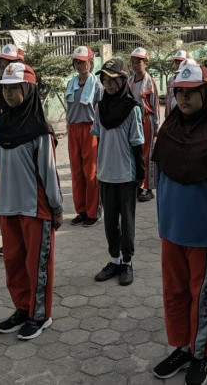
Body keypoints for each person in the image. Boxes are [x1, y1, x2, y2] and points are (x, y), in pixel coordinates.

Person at [151, 62, 207, 385]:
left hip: (205, 236)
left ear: (205, 93)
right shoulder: (167, 133)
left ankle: (201, 354)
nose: (184, 100)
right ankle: (182, 346)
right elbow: (159, 180)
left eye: (190, 93)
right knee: (174, 293)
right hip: (172, 233)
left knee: (201, 297)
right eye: (179, 93)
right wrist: (162, 225)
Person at [0, 63, 63, 340]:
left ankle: (40, 314)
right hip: (8, 205)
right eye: (5, 88)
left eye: (14, 88)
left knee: (37, 265)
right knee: (14, 262)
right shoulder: (1, 125)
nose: (8, 94)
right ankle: (22, 307)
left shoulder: (40, 130)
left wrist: (56, 208)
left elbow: (49, 172)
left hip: (36, 208)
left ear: (28, 89)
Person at [93, 59, 145, 286]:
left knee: (127, 222)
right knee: (110, 221)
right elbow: (98, 138)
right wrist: (98, 169)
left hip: (126, 174)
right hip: (106, 173)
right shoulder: (99, 108)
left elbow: (137, 143)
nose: (109, 84)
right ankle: (114, 260)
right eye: (105, 80)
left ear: (123, 80)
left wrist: (140, 173)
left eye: (114, 80)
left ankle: (127, 262)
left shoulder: (132, 108)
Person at [0, 44, 25, 257]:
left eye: (9, 62)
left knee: (20, 199)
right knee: (4, 200)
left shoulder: (26, 96)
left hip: (21, 157)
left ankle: (23, 240)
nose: (4, 65)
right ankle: (9, 241)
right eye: (2, 62)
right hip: (1, 155)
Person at [65, 46, 103, 227]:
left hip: (90, 130)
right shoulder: (71, 84)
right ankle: (80, 209)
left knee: (91, 172)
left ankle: (93, 211)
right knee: (77, 172)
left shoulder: (97, 85)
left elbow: (101, 113)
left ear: (91, 62)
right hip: (73, 130)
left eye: (83, 62)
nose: (80, 66)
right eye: (77, 62)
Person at [128, 47, 159, 203]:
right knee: (135, 154)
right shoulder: (130, 81)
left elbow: (154, 106)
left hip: (146, 121)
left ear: (146, 63)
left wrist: (156, 127)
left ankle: (147, 188)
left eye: (138, 61)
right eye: (133, 61)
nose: (135, 64)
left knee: (146, 154)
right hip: (132, 121)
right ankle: (138, 184)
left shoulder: (150, 82)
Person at [165, 50, 189, 118]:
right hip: (171, 115)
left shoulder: (189, 81)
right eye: (176, 61)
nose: (178, 64)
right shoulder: (171, 80)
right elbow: (168, 98)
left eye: (181, 62)